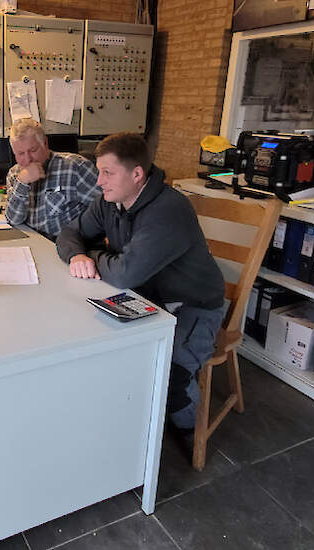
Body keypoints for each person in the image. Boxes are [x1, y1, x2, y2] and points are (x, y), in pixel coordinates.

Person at [55, 132, 226, 434]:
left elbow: (124, 274)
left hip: (191, 305)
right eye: (99, 172)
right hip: (148, 295)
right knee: (102, 346)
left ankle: (182, 424)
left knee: (172, 387)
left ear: (136, 174)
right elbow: (69, 233)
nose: (99, 181)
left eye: (107, 172)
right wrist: (79, 255)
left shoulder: (167, 210)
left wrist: (93, 255)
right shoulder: (110, 201)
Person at [5, 118, 101, 239]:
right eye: (20, 154)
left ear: (45, 143)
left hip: (69, 245)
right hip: (34, 243)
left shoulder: (75, 167)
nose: (28, 159)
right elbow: (13, 220)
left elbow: (108, 208)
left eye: (33, 150)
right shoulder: (14, 174)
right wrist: (22, 184)